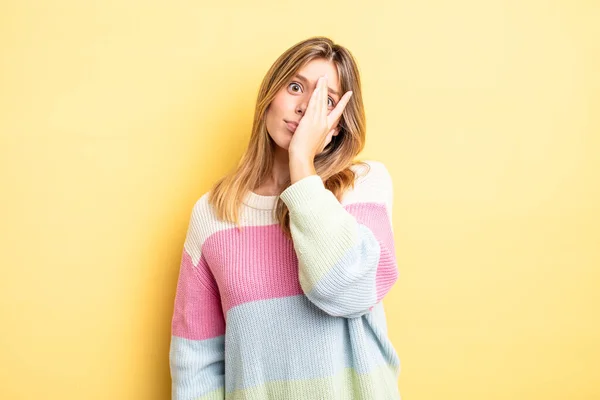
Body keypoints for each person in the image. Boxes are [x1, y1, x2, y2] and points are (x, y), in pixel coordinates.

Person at [169, 36, 401, 400]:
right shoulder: (213, 214)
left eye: (326, 100)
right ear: (269, 99)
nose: (305, 108)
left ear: (338, 124)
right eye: (296, 87)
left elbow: (348, 291)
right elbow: (196, 360)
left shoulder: (363, 186)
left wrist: (302, 167)